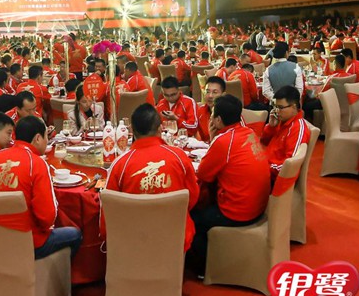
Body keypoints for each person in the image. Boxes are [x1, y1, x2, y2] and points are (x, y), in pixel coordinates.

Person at [190, 94, 271, 277]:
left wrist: (214, 139)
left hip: (237, 211)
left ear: (218, 120)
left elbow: (203, 174)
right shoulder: (248, 132)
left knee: (192, 217)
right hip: (259, 205)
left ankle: (203, 268)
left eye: (213, 115)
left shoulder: (224, 141)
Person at [0, 116, 82, 259]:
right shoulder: (37, 164)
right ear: (38, 138)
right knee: (75, 234)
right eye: (46, 136)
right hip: (28, 243)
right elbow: (48, 218)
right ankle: (55, 272)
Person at [105, 103, 199, 248]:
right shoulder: (179, 156)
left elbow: (108, 211)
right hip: (176, 239)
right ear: (160, 128)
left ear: (132, 131)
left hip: (131, 243)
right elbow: (192, 197)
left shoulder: (120, 164)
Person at [260, 86, 311, 180]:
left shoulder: (297, 128)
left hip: (273, 177)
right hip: (265, 167)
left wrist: (263, 168)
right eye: (275, 107)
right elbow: (264, 142)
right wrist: (271, 127)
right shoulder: (280, 121)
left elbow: (289, 166)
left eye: (280, 107)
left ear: (294, 107)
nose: (276, 111)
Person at [196, 76, 225, 142]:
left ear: (223, 95)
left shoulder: (230, 113)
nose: (210, 96)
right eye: (207, 92)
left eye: (215, 92)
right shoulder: (200, 111)